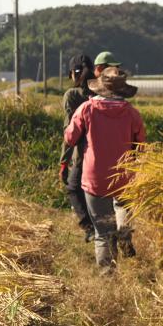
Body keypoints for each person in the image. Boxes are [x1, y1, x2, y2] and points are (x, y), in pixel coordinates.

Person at [64, 66, 146, 275]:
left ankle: (108, 276)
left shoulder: (87, 109)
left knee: (102, 231)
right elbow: (141, 145)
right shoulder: (131, 113)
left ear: (100, 87)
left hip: (95, 177)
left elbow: (70, 138)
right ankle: (124, 236)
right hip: (124, 175)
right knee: (123, 208)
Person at [59, 54, 95, 242]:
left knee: (73, 188)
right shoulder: (102, 93)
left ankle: (89, 227)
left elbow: (69, 134)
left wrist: (63, 162)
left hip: (83, 154)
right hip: (109, 152)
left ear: (75, 73)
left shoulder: (72, 96)